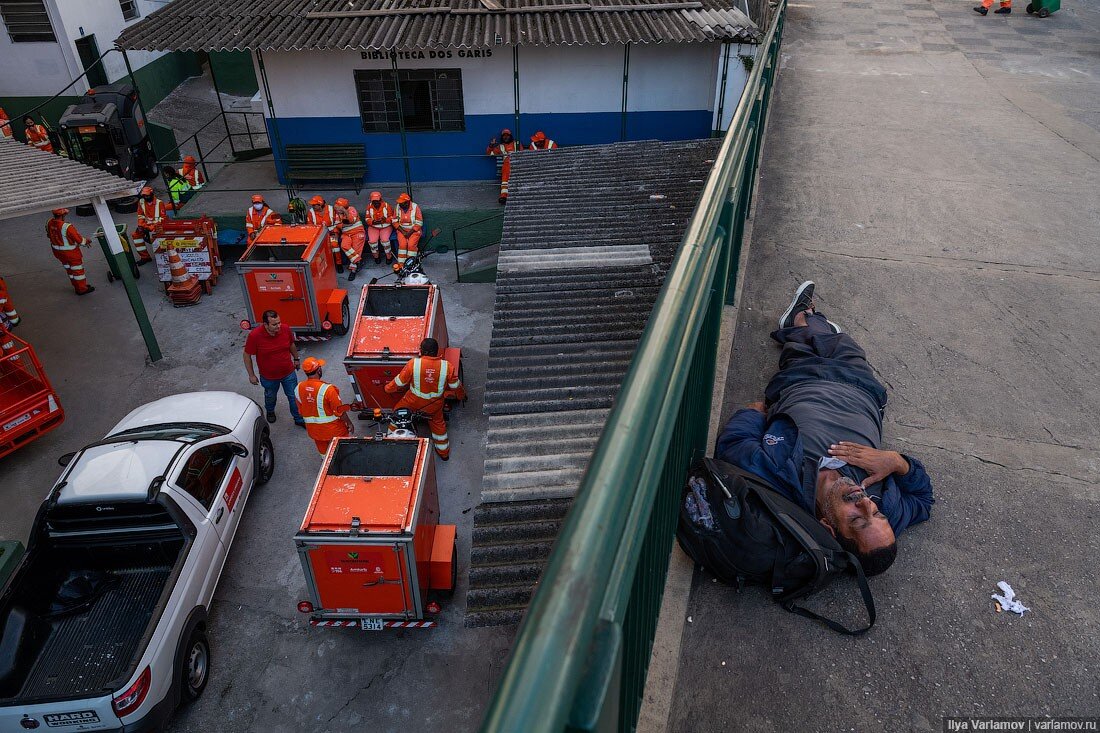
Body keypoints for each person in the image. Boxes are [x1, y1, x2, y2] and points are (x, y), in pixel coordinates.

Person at [715, 281, 933, 577]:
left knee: (806, 344)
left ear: (828, 528)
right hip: (862, 389)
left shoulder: (781, 480)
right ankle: (809, 322)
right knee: (846, 345)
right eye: (877, 514)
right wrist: (897, 462)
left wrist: (752, 416)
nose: (865, 504)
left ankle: (803, 320)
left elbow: (734, 444)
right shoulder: (889, 505)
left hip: (801, 380)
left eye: (857, 520)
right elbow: (922, 500)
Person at [385, 338, 464, 461]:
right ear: (436, 352)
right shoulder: (447, 367)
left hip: (412, 402)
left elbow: (399, 382)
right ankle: (444, 453)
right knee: (439, 427)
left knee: (397, 414)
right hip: (434, 406)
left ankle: (389, 440)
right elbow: (455, 386)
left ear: (422, 351)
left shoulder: (413, 364)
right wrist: (462, 395)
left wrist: (388, 389)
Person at [243, 310, 305, 427]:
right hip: (269, 377)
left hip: (288, 373)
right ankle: (270, 411)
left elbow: (291, 344)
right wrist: (251, 375)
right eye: (274, 324)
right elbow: (247, 355)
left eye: (279, 322)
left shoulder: (285, 329)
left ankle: (298, 418)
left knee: (293, 396)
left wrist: (296, 359)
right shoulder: (255, 336)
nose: (279, 326)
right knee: (270, 396)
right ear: (265, 325)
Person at [295, 357, 357, 454]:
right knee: (345, 452)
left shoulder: (298, 388)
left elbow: (301, 410)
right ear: (319, 370)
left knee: (325, 455)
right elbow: (339, 411)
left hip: (315, 431)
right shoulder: (328, 390)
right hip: (334, 430)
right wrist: (349, 423)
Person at [45, 209, 95, 296]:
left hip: (58, 253)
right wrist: (87, 241)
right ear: (63, 215)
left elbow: (49, 235)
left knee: (69, 270)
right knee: (78, 271)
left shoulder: (49, 222)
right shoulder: (67, 227)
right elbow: (80, 240)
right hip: (71, 254)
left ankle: (77, 286)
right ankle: (82, 289)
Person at [132, 186, 169, 265]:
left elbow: (162, 218)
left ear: (152, 194)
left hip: (157, 226)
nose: (146, 197)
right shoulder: (141, 202)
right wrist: (141, 225)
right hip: (146, 225)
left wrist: (151, 227)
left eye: (147, 195)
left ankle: (164, 256)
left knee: (157, 239)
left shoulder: (159, 203)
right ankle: (145, 257)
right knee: (136, 235)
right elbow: (140, 215)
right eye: (144, 196)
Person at [307, 195, 343, 272]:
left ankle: (339, 264)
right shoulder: (311, 212)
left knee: (335, 245)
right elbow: (310, 226)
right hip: (318, 234)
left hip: (332, 232)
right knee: (319, 248)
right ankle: (325, 265)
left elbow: (337, 223)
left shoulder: (331, 209)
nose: (312, 206)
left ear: (320, 205)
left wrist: (335, 232)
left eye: (314, 205)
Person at [486, 129, 522, 204]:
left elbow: (522, 155)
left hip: (517, 163)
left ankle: (516, 196)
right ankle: (503, 196)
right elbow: (490, 153)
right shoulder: (500, 146)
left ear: (510, 136)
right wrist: (491, 145)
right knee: (505, 178)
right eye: (504, 136)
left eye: (507, 135)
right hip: (506, 164)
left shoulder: (517, 144)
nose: (505, 137)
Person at [333, 197, 365, 280]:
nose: (336, 208)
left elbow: (351, 220)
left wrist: (345, 212)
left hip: (357, 232)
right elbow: (338, 225)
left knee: (356, 250)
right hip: (346, 234)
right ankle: (358, 261)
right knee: (344, 245)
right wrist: (344, 224)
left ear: (343, 207)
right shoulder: (337, 214)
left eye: (338, 207)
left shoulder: (352, 209)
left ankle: (353, 271)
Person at [391, 193, 423, 264]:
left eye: (401, 203)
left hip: (414, 231)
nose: (399, 204)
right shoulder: (397, 207)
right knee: (402, 245)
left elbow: (419, 222)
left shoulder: (415, 207)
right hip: (401, 230)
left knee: (411, 245)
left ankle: (411, 263)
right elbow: (394, 221)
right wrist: (403, 232)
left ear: (407, 202)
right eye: (399, 203)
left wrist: (409, 233)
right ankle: (401, 264)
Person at [365, 191, 393, 265]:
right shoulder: (369, 206)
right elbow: (367, 218)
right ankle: (376, 257)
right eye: (374, 201)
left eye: (377, 201)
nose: (376, 203)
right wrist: (373, 222)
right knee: (372, 242)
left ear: (381, 199)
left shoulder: (387, 206)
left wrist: (385, 220)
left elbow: (392, 218)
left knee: (385, 241)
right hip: (373, 227)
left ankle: (389, 257)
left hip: (385, 226)